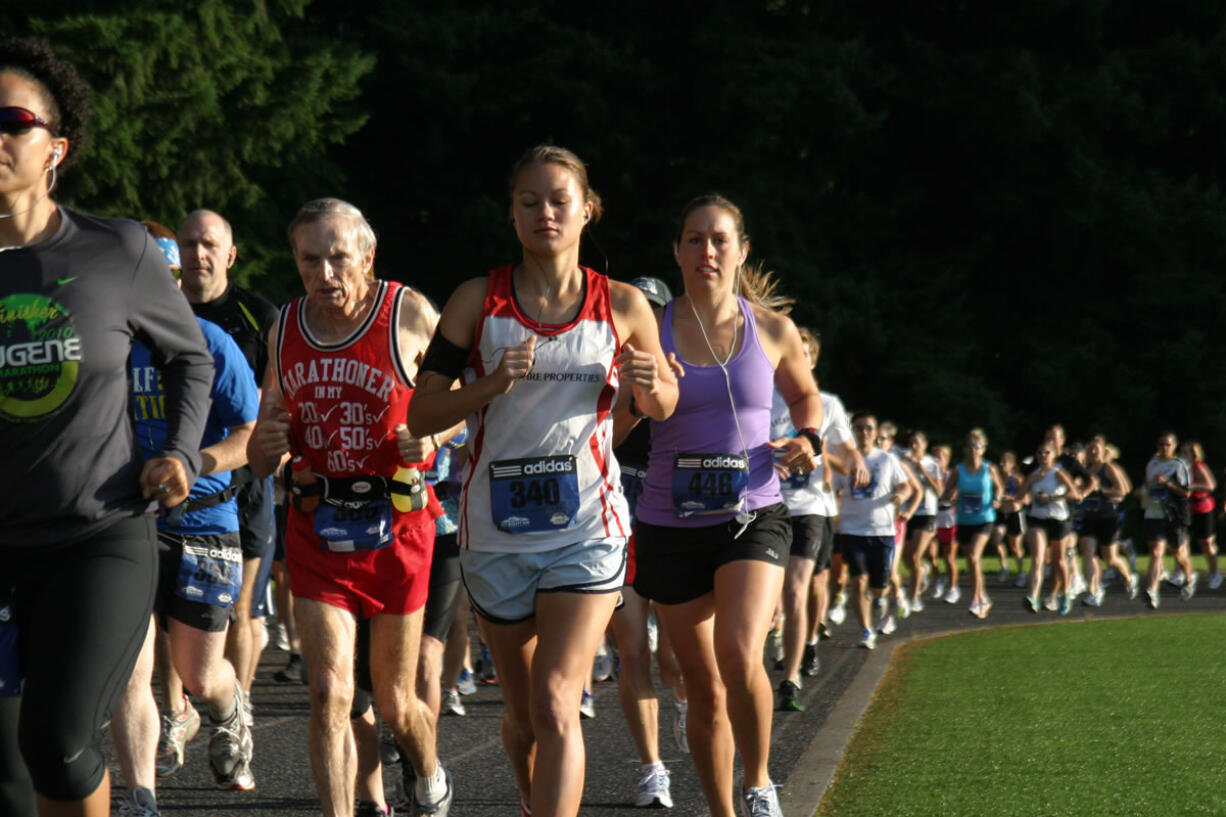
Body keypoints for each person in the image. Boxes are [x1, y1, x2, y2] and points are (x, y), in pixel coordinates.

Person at [408, 146, 678, 817]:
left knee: (560, 696)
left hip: (586, 528)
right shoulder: (478, 301)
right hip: (496, 535)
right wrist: (493, 382)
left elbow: (667, 399)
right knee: (527, 715)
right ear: (512, 213)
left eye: (559, 200)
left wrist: (652, 388)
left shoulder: (623, 305)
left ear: (587, 210)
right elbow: (420, 410)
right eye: (529, 201)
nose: (545, 213)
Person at [0, 37, 213, 817]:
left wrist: (181, 453)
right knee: (9, 773)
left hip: (97, 534)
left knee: (57, 742)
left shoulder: (113, 249)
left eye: (11, 120)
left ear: (54, 147)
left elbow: (193, 358)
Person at [247, 198, 451, 817]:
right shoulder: (284, 328)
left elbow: (466, 401)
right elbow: (260, 454)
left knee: (394, 701)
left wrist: (434, 435)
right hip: (318, 526)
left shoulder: (408, 313)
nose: (325, 274)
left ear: (367, 255)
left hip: (399, 530)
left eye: (338, 258)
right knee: (329, 692)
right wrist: (268, 445)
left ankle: (428, 772)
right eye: (310, 260)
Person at [630, 193, 820, 817]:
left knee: (739, 654)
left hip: (752, 512)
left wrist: (808, 439)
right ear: (677, 251)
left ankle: (759, 781)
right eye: (694, 239)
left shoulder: (771, 329)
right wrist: (647, 392)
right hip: (669, 519)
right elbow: (614, 427)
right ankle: (721, 809)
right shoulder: (648, 330)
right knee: (700, 685)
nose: (706, 251)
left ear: (741, 251)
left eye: (719, 240)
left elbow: (806, 399)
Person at [110, 222, 260, 815]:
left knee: (199, 675)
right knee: (131, 669)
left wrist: (193, 463)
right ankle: (142, 797)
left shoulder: (211, 343)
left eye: (163, 279)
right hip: (130, 523)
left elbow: (250, 435)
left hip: (204, 519)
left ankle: (228, 708)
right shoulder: (110, 346)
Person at [177, 209, 280, 721]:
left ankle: (238, 714)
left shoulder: (259, 315)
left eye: (210, 244)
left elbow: (286, 393)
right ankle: (179, 711)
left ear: (230, 255)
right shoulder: (157, 314)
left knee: (240, 609)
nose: (199, 253)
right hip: (184, 488)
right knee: (170, 611)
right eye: (190, 243)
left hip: (248, 480)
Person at [769, 327, 864, 713]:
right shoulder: (763, 400)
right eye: (795, 350)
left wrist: (855, 461)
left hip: (811, 507)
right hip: (767, 507)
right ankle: (757, 668)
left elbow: (846, 447)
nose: (799, 357)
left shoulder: (827, 403)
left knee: (796, 591)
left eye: (806, 352)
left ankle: (790, 677)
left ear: (813, 360)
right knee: (766, 600)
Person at [833, 412, 915, 649]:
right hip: (852, 529)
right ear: (853, 432)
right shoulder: (845, 461)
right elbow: (833, 488)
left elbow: (905, 485)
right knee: (858, 581)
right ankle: (866, 631)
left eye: (868, 428)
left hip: (882, 530)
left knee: (880, 586)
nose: (864, 432)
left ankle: (880, 600)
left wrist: (901, 495)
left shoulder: (887, 460)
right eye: (858, 428)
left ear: (876, 432)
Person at [940, 428, 1003, 618]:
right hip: (964, 519)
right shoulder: (958, 470)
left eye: (977, 446)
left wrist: (997, 498)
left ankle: (976, 600)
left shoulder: (989, 468)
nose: (974, 450)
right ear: (965, 449)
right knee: (971, 562)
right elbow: (945, 494)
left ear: (983, 449)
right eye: (970, 446)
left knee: (975, 557)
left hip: (985, 519)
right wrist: (951, 496)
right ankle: (984, 597)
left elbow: (999, 487)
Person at [1015, 442, 1081, 614]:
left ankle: (1065, 595)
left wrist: (1051, 497)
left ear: (1053, 455)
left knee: (1059, 561)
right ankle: (1033, 596)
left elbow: (1075, 494)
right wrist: (1029, 481)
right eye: (1040, 452)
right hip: (1038, 519)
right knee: (1038, 559)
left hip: (1059, 519)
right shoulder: (1034, 475)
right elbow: (1020, 496)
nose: (1043, 455)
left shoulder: (1058, 473)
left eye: (1047, 452)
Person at [1079, 434, 1137, 605]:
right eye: (1091, 448)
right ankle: (1094, 591)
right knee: (1088, 553)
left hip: (1108, 517)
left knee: (1110, 558)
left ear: (1103, 450)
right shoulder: (1084, 468)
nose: (1093, 451)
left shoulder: (1108, 468)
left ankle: (1129, 578)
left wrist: (1101, 490)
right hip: (1089, 516)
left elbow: (1122, 491)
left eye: (1097, 448)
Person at [1140, 431, 1196, 608]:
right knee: (1156, 551)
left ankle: (1189, 577)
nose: (1164, 448)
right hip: (1154, 513)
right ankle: (1153, 591)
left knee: (1178, 553)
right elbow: (1148, 486)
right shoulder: (1152, 464)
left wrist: (1168, 484)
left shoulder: (1179, 465)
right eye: (1161, 444)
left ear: (1174, 446)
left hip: (1173, 515)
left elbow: (1187, 492)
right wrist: (1144, 492)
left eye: (1167, 444)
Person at [900, 430, 943, 612]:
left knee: (916, 556)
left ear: (925, 445)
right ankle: (923, 570)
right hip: (909, 513)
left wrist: (922, 469)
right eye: (912, 443)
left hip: (927, 513)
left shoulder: (932, 463)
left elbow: (939, 491)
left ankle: (914, 597)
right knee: (907, 558)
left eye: (918, 442)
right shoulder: (904, 463)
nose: (914, 446)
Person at [1181, 440, 1219, 589]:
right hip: (1188, 509)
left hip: (1203, 508)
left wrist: (1193, 486)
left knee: (1207, 542)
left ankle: (1215, 573)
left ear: (1194, 453)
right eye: (1182, 452)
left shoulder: (1199, 466)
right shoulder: (1182, 468)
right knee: (1182, 541)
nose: (1183, 455)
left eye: (1186, 452)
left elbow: (1211, 485)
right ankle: (1184, 572)